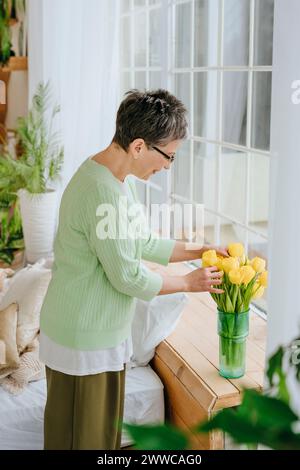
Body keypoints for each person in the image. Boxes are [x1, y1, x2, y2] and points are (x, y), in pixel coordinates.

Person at [39, 89, 227, 450]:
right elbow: (127, 276)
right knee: (86, 441)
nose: (168, 167)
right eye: (168, 157)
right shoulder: (102, 192)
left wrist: (199, 250)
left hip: (92, 334)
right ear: (139, 145)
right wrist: (189, 282)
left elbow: (141, 242)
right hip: (83, 338)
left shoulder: (116, 180)